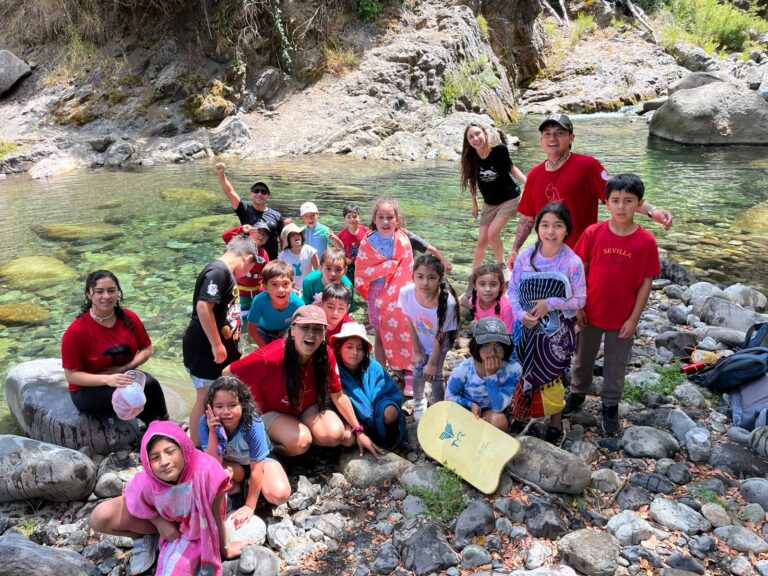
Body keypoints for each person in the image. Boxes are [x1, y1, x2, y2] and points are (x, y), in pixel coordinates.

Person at [565, 173, 661, 435]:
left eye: (628, 201)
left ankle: (610, 405)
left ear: (639, 204)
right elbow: (579, 271)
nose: (621, 207)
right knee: (583, 358)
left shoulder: (645, 241)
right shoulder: (593, 233)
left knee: (616, 364)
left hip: (622, 316)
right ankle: (576, 394)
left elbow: (646, 283)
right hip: (590, 312)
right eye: (615, 200)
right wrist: (579, 307)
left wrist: (634, 319)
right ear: (606, 202)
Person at [507, 113, 672, 265]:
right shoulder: (535, 174)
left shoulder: (588, 166)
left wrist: (652, 210)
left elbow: (619, 194)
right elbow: (527, 219)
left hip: (583, 255)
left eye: (560, 133)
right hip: (547, 255)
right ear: (541, 139)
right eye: (547, 134)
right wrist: (515, 249)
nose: (553, 138)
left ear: (571, 138)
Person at [89, 421, 245, 576]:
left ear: (183, 448)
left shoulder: (207, 473)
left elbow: (215, 515)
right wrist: (158, 521)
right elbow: (134, 497)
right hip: (164, 517)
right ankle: (144, 539)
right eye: (155, 457)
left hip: (195, 524)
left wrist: (225, 548)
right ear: (147, 462)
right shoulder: (149, 481)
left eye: (170, 451)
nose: (164, 462)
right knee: (100, 515)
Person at [224, 306, 381, 457]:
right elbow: (227, 375)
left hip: (306, 407)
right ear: (292, 330)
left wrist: (358, 430)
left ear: (324, 333)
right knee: (300, 442)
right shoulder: (270, 356)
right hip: (270, 411)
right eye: (305, 327)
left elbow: (338, 395)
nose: (311, 334)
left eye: (318, 329)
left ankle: (304, 435)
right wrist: (236, 417)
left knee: (336, 435)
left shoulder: (325, 355)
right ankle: (265, 448)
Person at [507, 202, 586, 446]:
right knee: (524, 371)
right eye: (545, 225)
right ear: (537, 228)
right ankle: (522, 413)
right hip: (526, 326)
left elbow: (580, 298)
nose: (550, 232)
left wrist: (549, 304)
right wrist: (521, 315)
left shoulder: (572, 262)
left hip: (557, 332)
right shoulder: (525, 257)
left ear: (567, 230)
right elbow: (512, 290)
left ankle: (555, 421)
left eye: (557, 226)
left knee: (553, 375)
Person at [62, 270, 169, 424]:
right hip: (88, 389)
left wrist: (124, 368)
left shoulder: (129, 318)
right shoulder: (76, 331)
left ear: (118, 293)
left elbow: (147, 349)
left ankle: (165, 423)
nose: (106, 296)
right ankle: (151, 428)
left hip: (121, 376)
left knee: (151, 383)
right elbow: (71, 375)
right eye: (99, 291)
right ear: (88, 294)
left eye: (111, 291)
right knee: (129, 394)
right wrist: (107, 379)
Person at [183, 235, 258, 447]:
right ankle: (195, 445)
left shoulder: (224, 272)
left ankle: (206, 434)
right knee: (204, 394)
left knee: (213, 393)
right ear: (247, 257)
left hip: (215, 348)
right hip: (205, 349)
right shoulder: (218, 271)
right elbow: (203, 307)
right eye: (250, 267)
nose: (248, 273)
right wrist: (217, 344)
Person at [200, 376, 291, 528]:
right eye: (219, 406)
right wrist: (212, 431)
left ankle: (250, 492)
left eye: (232, 405)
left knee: (279, 494)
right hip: (233, 464)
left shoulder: (252, 422)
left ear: (243, 404)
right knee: (214, 475)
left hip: (259, 461)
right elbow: (213, 464)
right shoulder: (205, 422)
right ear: (211, 407)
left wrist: (249, 506)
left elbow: (257, 467)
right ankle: (236, 490)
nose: (226, 412)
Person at [354, 197, 414, 370]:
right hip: (376, 291)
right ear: (374, 219)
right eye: (381, 217)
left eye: (390, 217)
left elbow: (408, 270)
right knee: (379, 333)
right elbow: (362, 267)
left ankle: (407, 368)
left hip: (398, 293)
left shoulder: (403, 240)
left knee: (403, 330)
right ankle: (380, 371)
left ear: (397, 219)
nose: (385, 221)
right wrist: (388, 266)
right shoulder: (368, 240)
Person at [398, 254, 459, 421]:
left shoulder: (448, 303)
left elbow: (441, 335)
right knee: (417, 369)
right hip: (420, 340)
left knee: (436, 375)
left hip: (439, 343)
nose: (425, 282)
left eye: (431, 278)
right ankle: (419, 401)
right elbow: (410, 321)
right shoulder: (406, 293)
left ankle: (439, 407)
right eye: (420, 277)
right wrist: (416, 351)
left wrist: (432, 363)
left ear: (439, 279)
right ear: (413, 277)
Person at [460, 121, 527, 270]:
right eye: (471, 137)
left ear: (484, 133)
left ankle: (501, 266)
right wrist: (475, 204)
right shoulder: (470, 159)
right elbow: (472, 183)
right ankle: (474, 275)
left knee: (492, 233)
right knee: (482, 240)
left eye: (477, 134)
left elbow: (511, 169)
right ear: (468, 141)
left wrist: (528, 183)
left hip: (509, 198)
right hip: (489, 203)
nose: (475, 138)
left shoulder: (500, 150)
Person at [330, 322, 406, 449]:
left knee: (390, 412)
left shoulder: (373, 366)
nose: (355, 352)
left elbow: (388, 392)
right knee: (347, 438)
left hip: (376, 407)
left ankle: (385, 437)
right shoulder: (333, 369)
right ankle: (361, 438)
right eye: (349, 347)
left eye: (360, 348)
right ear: (339, 348)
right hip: (345, 414)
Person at [445, 317, 521, 431]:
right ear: (477, 346)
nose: (493, 352)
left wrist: (491, 375)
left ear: (506, 347)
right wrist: (469, 404)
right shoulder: (463, 370)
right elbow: (449, 397)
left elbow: (498, 407)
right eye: (486, 345)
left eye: (499, 345)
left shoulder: (513, 369)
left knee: (499, 421)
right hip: (466, 412)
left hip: (492, 413)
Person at [215, 162, 285, 259]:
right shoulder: (245, 210)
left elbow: (282, 239)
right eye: (256, 191)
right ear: (250, 194)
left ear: (268, 196)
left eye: (263, 192)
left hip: (271, 261)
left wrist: (283, 258)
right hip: (250, 260)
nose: (259, 194)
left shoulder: (277, 216)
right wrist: (221, 174)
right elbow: (230, 193)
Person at [246, 260, 304, 347]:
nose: (280, 290)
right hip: (263, 331)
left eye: (285, 284)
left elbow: (302, 328)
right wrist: (265, 349)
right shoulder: (259, 301)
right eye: (274, 284)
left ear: (293, 286)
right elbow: (252, 329)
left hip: (286, 331)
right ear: (265, 287)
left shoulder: (298, 304)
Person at [221, 223, 270, 322]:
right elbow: (225, 236)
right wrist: (241, 229)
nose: (261, 236)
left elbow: (267, 272)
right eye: (259, 232)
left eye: (264, 235)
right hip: (241, 292)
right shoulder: (241, 247)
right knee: (238, 316)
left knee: (255, 315)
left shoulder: (263, 253)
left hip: (257, 292)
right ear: (252, 233)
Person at [301, 247, 356, 312]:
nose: (333, 273)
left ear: (344, 270)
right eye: (328, 269)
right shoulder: (309, 282)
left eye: (338, 269)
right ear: (320, 268)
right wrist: (314, 306)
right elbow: (304, 306)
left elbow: (347, 311)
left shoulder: (347, 287)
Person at [467, 263, 515, 334]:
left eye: (493, 284)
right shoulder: (473, 301)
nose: (488, 289)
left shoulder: (506, 309)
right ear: (475, 286)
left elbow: (509, 336)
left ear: (501, 287)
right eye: (482, 284)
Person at [278, 222, 319, 288]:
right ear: (287, 240)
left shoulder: (310, 250)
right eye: (292, 235)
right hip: (291, 289)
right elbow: (281, 275)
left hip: (308, 287)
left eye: (298, 233)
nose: (296, 236)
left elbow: (318, 270)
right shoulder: (283, 256)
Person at [337, 203, 369, 284]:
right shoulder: (341, 235)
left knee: (365, 285)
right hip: (349, 266)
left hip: (364, 264)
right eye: (349, 217)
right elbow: (337, 251)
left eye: (355, 216)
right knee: (349, 285)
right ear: (344, 219)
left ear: (359, 217)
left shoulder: (367, 232)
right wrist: (343, 258)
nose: (352, 219)